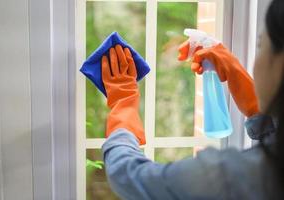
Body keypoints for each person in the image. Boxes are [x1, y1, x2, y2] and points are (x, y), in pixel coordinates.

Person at [101, 0, 284, 199]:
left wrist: (123, 104)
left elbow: (131, 177)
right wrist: (257, 107)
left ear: (280, 64)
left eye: (260, 45)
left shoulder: (231, 177)